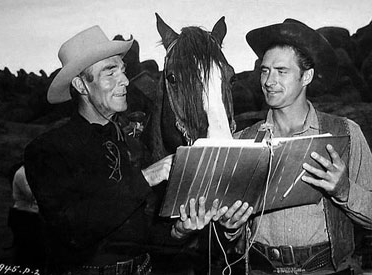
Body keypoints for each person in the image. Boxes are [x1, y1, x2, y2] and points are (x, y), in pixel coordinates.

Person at [24, 25, 213, 275]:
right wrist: (147, 177)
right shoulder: (47, 150)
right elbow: (73, 231)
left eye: (122, 71)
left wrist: (179, 231)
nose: (125, 80)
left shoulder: (131, 145)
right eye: (110, 73)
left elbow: (141, 231)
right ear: (81, 85)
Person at [216, 19, 372, 275]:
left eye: (281, 71)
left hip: (326, 269)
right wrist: (230, 226)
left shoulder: (346, 134)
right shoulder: (241, 141)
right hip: (259, 269)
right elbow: (229, 235)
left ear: (306, 76)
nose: (269, 81)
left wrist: (344, 190)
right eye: (265, 71)